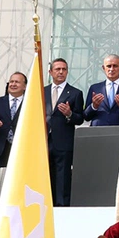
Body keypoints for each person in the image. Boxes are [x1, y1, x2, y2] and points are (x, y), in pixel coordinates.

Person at [45, 58, 85, 207]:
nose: (61, 72)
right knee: (43, 175)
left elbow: (80, 118)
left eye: (64, 69)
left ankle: (61, 208)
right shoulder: (42, 91)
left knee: (62, 177)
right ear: (51, 72)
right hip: (43, 140)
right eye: (57, 69)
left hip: (63, 142)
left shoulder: (75, 93)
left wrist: (69, 114)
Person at [0, 72, 27, 170]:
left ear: (24, 86)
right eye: (11, 82)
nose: (13, 84)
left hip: (21, 149)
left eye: (17, 82)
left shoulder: (30, 103)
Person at [84, 54, 119, 127]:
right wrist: (94, 106)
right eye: (109, 66)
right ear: (103, 68)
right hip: (97, 131)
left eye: (115, 66)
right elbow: (86, 116)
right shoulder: (95, 88)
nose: (111, 69)